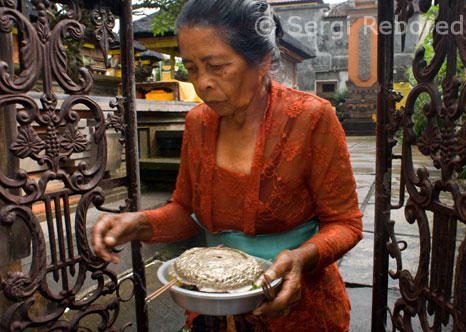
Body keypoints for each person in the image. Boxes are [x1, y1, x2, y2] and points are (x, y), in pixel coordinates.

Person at [92, 0, 363, 331]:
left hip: (296, 306)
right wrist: (137, 223)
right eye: (191, 68)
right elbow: (186, 209)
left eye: (217, 66)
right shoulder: (197, 123)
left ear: (262, 61)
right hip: (213, 304)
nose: (201, 83)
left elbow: (346, 223)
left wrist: (299, 258)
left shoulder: (311, 118)